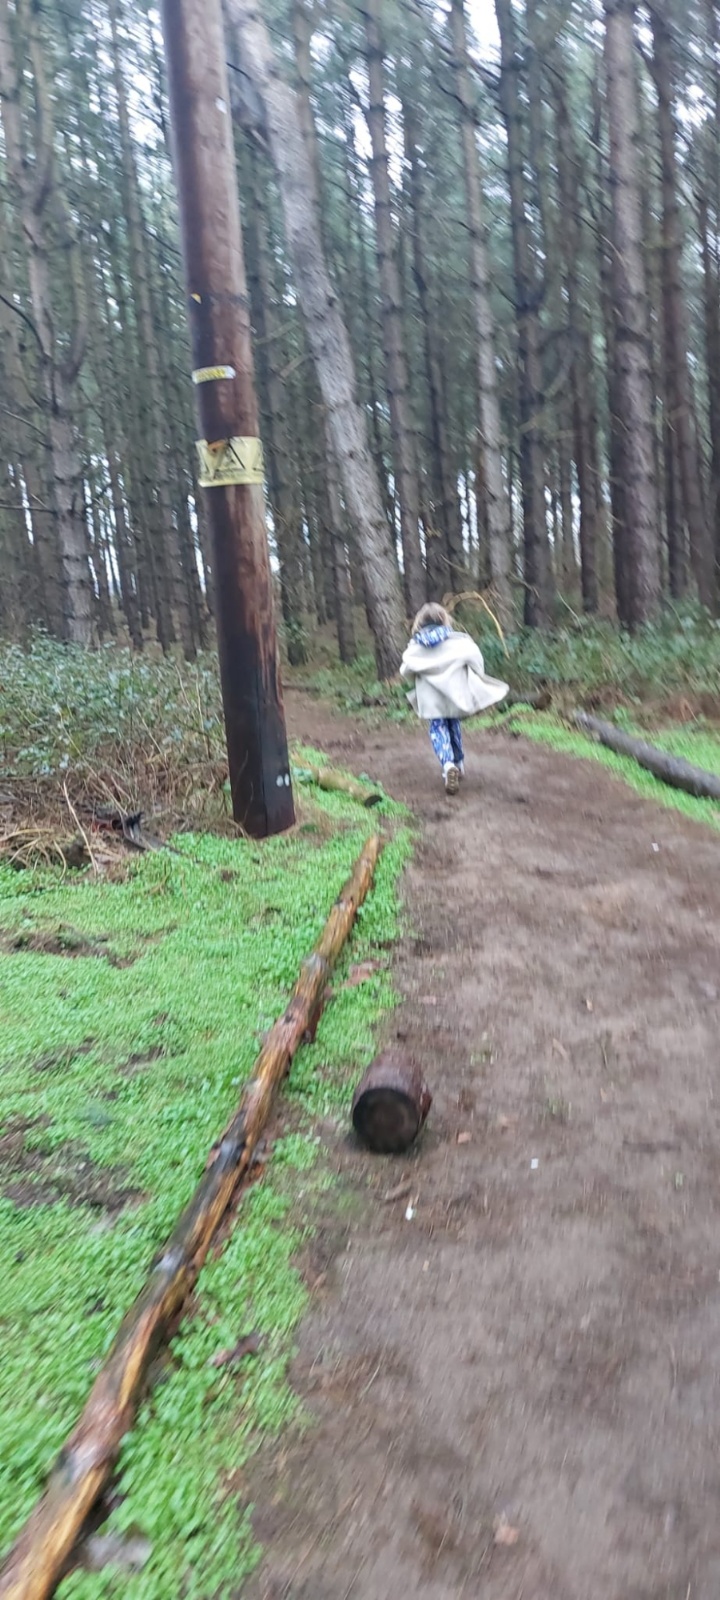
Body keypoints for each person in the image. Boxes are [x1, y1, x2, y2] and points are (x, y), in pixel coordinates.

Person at [400, 603, 509, 793]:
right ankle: (458, 763)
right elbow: (476, 661)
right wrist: (474, 675)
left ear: (419, 623)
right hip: (454, 693)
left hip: (430, 697)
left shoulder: (415, 647)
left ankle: (448, 764)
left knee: (438, 729)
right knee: (453, 725)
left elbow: (406, 671)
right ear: (444, 619)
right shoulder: (459, 642)